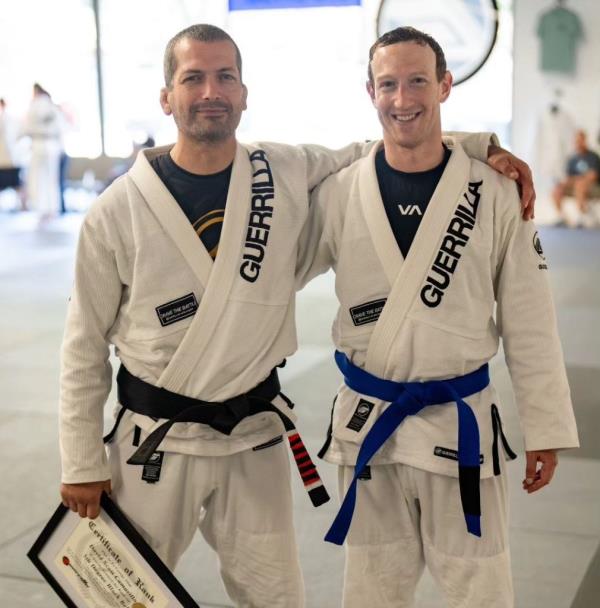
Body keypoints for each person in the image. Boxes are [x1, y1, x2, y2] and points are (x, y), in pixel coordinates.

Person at [59, 24, 536, 608]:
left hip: (252, 438)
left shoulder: (279, 170)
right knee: (114, 597)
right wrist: (81, 460)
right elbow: (82, 346)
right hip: (154, 443)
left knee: (278, 598)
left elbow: (385, 147)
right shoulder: (115, 212)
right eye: (193, 78)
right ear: (167, 96)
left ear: (243, 92)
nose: (211, 90)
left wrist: (477, 147)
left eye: (225, 77)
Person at [297, 26, 579, 608]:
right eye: (388, 85)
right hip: (369, 427)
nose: (403, 99)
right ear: (369, 92)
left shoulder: (497, 191)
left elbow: (529, 319)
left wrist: (545, 428)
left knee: (481, 590)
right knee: (372, 592)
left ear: (446, 85)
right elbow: (275, 280)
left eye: (418, 81)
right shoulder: (340, 193)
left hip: (462, 424)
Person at [21, 83, 63, 220]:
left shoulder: (35, 105)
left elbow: (26, 128)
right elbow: (61, 128)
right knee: (52, 179)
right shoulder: (52, 106)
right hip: (53, 146)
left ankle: (44, 210)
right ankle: (52, 209)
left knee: (40, 180)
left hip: (39, 145)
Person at [552, 129, 600, 227]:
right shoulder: (572, 159)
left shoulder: (593, 156)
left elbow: (593, 176)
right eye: (577, 141)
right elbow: (568, 178)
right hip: (575, 186)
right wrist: (572, 181)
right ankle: (562, 217)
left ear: (585, 140)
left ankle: (583, 216)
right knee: (558, 188)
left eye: (581, 140)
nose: (579, 143)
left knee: (580, 184)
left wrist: (578, 179)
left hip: (593, 188)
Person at [0, 98, 25, 209]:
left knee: (17, 184)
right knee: (17, 184)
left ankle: (23, 205)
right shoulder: (11, 119)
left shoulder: (9, 119)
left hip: (9, 159)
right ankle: (23, 205)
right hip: (9, 158)